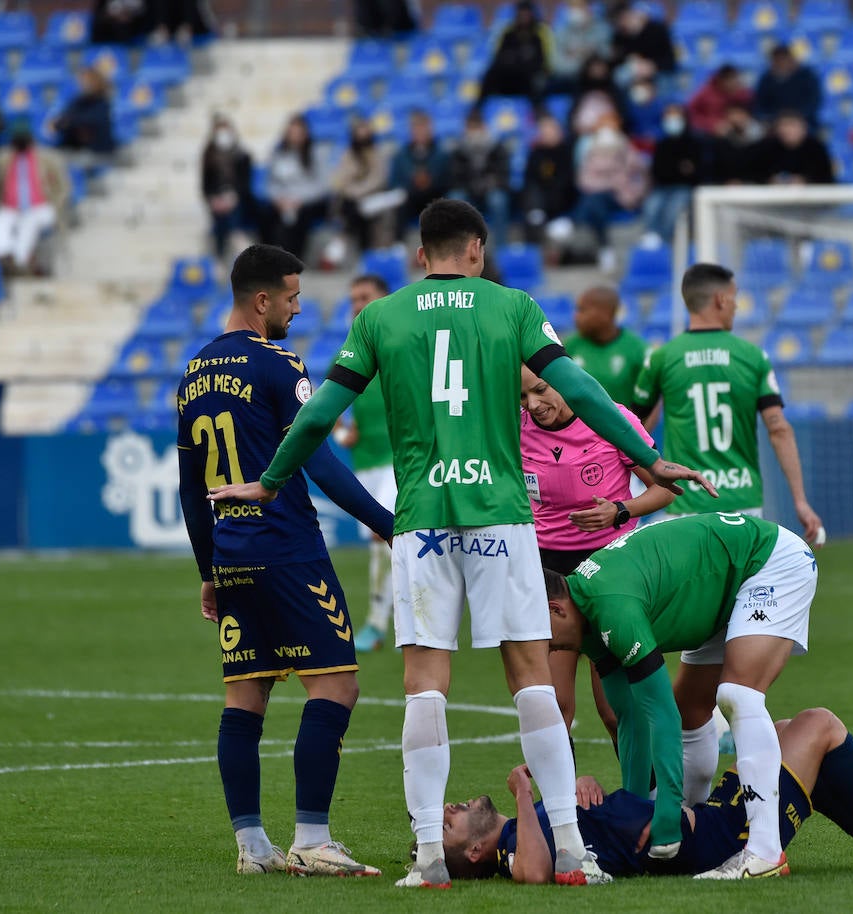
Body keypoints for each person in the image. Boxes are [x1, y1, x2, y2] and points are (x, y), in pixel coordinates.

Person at [207, 198, 715, 888]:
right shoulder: (513, 307)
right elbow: (582, 391)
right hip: (501, 515)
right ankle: (568, 849)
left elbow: (323, 410)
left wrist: (269, 482)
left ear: (422, 254)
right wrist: (648, 458)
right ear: (477, 248)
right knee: (531, 676)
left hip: (422, 520)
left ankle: (426, 859)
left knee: (425, 686)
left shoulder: (380, 317)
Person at [176, 243, 395, 878]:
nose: (298, 310)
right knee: (337, 685)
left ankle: (251, 846)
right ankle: (313, 838)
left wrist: (208, 572)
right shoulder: (277, 364)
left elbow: (192, 489)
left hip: (234, 553)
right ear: (263, 299)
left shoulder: (192, 372)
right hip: (288, 549)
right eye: (293, 298)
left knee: (244, 699)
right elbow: (318, 458)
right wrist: (386, 525)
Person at [543, 512, 818, 878]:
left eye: (533, 632)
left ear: (555, 609)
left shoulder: (611, 606)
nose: (534, 646)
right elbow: (630, 717)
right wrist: (635, 810)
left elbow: (660, 713)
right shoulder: (586, 612)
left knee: (738, 694)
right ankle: (695, 813)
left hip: (768, 562)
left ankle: (765, 852)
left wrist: (667, 821)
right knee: (690, 709)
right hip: (721, 587)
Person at [440, 705, 853, 881]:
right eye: (449, 825)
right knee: (819, 726)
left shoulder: (520, 834)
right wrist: (524, 793)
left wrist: (581, 787)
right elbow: (533, 873)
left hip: (704, 821)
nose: (450, 808)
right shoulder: (514, 849)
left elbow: (586, 834)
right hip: (721, 840)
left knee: (777, 731)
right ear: (476, 850)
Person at [520, 363, 673, 730]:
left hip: (611, 568)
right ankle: (558, 791)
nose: (534, 404)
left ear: (566, 379)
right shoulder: (513, 429)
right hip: (549, 573)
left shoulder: (611, 418)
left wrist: (621, 511)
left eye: (541, 389)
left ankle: (642, 790)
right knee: (553, 706)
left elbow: (664, 487)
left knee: (615, 708)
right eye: (523, 397)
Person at [632, 263, 823, 539]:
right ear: (721, 299)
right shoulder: (753, 356)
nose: (735, 306)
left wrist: (651, 480)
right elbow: (779, 428)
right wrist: (800, 502)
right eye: (734, 298)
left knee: (696, 581)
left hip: (687, 504)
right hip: (744, 504)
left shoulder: (662, 358)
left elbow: (633, 430)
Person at [335, 273, 397, 653]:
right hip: (366, 464)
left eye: (365, 297)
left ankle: (376, 625)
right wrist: (345, 434)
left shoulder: (399, 343)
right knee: (388, 544)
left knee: (383, 537)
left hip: (400, 460)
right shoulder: (350, 350)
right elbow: (333, 412)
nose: (358, 305)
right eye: (354, 298)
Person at [0, 122, 71, 277]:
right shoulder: (4, 158)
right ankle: (4, 254)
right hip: (11, 207)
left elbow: (63, 186)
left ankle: (20, 260)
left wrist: (56, 205)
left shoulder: (47, 158)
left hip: (41, 206)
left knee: (29, 222)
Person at [571, 115, 646, 274]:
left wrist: (630, 192)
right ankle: (605, 247)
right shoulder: (591, 150)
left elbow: (640, 174)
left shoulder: (625, 148)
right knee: (595, 201)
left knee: (592, 201)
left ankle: (575, 222)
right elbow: (583, 180)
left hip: (619, 196)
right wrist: (607, 183)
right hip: (598, 195)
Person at [261, 114, 332, 260]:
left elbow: (323, 185)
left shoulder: (316, 153)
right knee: (266, 214)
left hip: (309, 201)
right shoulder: (279, 154)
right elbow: (272, 183)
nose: (295, 137)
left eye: (298, 133)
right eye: (291, 133)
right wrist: (279, 199)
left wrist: (299, 200)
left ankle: (295, 258)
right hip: (284, 201)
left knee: (300, 216)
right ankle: (273, 257)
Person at [564, 285, 646, 406]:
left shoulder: (637, 349)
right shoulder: (568, 347)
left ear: (606, 313)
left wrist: (640, 425)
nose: (576, 316)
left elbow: (652, 401)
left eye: (582, 310)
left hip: (622, 424)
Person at [640, 103, 703, 246]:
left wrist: (678, 171)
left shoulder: (694, 143)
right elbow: (658, 171)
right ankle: (652, 237)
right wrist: (679, 169)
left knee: (674, 209)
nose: (672, 120)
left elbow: (694, 172)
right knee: (651, 205)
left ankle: (665, 241)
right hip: (662, 188)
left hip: (684, 188)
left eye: (676, 116)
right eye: (669, 116)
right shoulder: (661, 144)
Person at [448, 111, 511, 248]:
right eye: (471, 128)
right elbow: (455, 179)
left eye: (476, 128)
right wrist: (472, 185)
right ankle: (460, 248)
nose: (474, 133)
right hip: (468, 192)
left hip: (491, 191)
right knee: (456, 198)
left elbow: (503, 175)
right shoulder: (459, 150)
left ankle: (501, 248)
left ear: (483, 127)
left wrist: (490, 183)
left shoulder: (497, 148)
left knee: (498, 201)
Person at [332, 118, 395, 256]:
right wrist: (354, 190)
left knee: (357, 209)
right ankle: (363, 252)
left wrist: (359, 191)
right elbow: (341, 179)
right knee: (353, 207)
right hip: (351, 199)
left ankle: (342, 241)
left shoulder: (378, 154)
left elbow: (378, 180)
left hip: (373, 197)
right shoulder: (348, 155)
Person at [201, 114, 255, 260]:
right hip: (217, 202)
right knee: (220, 214)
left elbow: (245, 185)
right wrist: (214, 200)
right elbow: (205, 186)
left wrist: (233, 197)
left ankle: (230, 242)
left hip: (240, 200)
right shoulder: (208, 157)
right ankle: (233, 241)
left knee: (231, 211)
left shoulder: (243, 156)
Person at [390, 109, 448, 242]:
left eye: (423, 127)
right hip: (410, 197)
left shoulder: (442, 153)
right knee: (398, 204)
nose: (420, 132)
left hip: (435, 196)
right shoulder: (401, 155)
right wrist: (412, 183)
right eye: (416, 128)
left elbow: (447, 179)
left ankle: (442, 246)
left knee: (445, 205)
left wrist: (429, 181)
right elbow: (394, 182)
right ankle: (399, 246)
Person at [519, 114, 576, 244]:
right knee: (532, 198)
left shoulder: (566, 152)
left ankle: (537, 215)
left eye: (551, 130)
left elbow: (567, 183)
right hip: (538, 200)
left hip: (561, 205)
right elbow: (530, 179)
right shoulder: (536, 153)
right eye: (544, 131)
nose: (547, 134)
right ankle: (536, 216)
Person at [479, 0, 553, 101]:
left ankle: (538, 111)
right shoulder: (508, 34)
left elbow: (543, 61)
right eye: (521, 13)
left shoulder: (539, 35)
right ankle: (477, 110)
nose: (524, 17)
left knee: (538, 82)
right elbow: (499, 58)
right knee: (491, 76)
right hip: (511, 75)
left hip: (529, 77)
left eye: (526, 14)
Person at [751, 110, 835, 186]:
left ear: (803, 128)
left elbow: (826, 179)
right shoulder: (765, 148)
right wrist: (769, 181)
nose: (788, 130)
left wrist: (806, 181)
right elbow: (753, 174)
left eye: (792, 125)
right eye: (784, 125)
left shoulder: (816, 149)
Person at [754, 44, 823, 132]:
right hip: (775, 123)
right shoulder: (767, 79)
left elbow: (814, 101)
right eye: (777, 60)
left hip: (804, 121)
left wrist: (796, 117)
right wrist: (775, 118)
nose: (782, 63)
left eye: (784, 59)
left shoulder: (807, 76)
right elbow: (759, 106)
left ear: (791, 59)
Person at [549, 0, 612, 94]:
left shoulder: (603, 29)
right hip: (570, 80)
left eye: (580, 7)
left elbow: (607, 57)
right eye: (573, 7)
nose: (576, 11)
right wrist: (585, 63)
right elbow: (557, 64)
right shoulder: (561, 32)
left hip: (599, 82)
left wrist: (577, 55)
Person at [53, 66, 115, 155]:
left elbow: (92, 120)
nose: (84, 84)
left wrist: (71, 121)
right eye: (82, 81)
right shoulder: (77, 101)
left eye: (88, 81)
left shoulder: (103, 103)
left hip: (99, 153)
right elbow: (59, 122)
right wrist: (68, 122)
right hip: (73, 151)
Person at [609, 2, 677, 78]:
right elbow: (616, 61)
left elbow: (670, 60)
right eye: (620, 20)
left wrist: (653, 66)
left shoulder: (657, 29)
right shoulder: (619, 37)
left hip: (659, 72)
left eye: (626, 17)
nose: (624, 22)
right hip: (634, 74)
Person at [687, 65, 752, 137]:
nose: (733, 83)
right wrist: (712, 125)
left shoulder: (742, 93)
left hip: (735, 129)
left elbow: (748, 110)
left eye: (734, 79)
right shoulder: (705, 93)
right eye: (729, 80)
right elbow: (691, 114)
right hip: (709, 132)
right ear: (721, 80)